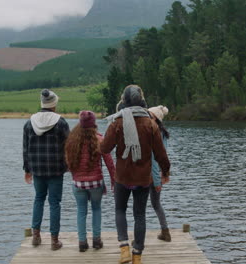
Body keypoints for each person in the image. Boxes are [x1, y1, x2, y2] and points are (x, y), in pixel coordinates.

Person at [101, 85, 171, 264]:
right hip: (142, 178)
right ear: (142, 101)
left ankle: (124, 248)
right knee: (139, 215)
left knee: (120, 210)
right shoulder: (151, 124)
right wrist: (165, 172)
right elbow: (161, 154)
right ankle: (137, 256)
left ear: (124, 101)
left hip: (123, 177)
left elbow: (104, 148)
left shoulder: (117, 122)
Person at [22, 89, 70, 251]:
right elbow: (68, 147)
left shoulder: (29, 123)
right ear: (54, 104)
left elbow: (25, 149)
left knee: (39, 199)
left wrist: (27, 169)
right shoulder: (61, 122)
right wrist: (69, 165)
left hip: (37, 169)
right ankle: (54, 240)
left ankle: (36, 236)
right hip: (56, 170)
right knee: (54, 203)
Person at [65, 111, 116, 252]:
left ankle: (82, 242)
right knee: (96, 209)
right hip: (96, 183)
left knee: (81, 211)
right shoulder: (99, 139)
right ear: (94, 124)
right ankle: (97, 241)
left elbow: (68, 163)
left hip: (78, 183)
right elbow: (109, 163)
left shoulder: (72, 140)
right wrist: (114, 180)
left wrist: (75, 175)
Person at [148, 105, 172, 242]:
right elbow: (164, 158)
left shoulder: (153, 132)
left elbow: (154, 159)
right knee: (156, 204)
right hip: (159, 173)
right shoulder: (162, 132)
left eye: (149, 115)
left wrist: (157, 180)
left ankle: (139, 238)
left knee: (141, 208)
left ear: (154, 118)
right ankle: (165, 231)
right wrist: (165, 174)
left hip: (152, 174)